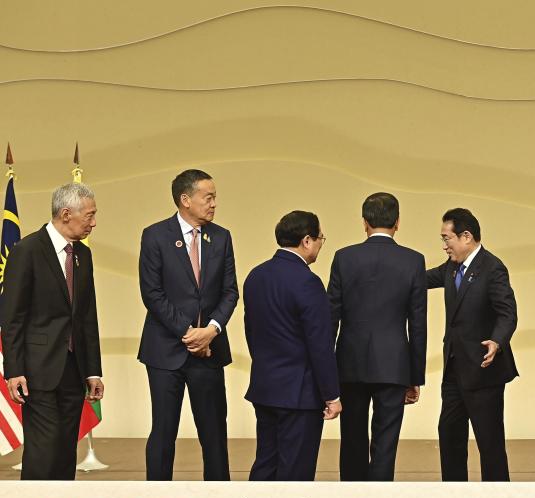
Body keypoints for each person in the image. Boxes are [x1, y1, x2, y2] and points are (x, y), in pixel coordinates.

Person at [138, 169, 238, 480]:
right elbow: (152, 294)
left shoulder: (221, 237)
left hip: (209, 352)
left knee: (214, 433)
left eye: (214, 198)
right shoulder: (155, 236)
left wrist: (211, 331)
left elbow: (230, 291)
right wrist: (189, 333)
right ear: (185, 200)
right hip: (165, 352)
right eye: (208, 198)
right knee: (163, 432)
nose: (213, 204)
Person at [1, 182, 104, 480]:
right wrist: (14, 369)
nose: (93, 222)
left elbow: (87, 317)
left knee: (64, 450)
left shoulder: (83, 256)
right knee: (42, 449)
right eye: (90, 215)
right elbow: (13, 317)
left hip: (73, 369)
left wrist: (93, 370)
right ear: (66, 213)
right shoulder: (27, 250)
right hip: (37, 369)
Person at [328, 193, 427, 481]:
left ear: (364, 222)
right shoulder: (413, 260)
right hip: (394, 365)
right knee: (385, 443)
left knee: (352, 439)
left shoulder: (344, 257)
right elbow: (417, 324)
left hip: (349, 362)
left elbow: (330, 318)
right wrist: (415, 376)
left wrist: (327, 371)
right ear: (397, 222)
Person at [244, 211, 341, 480]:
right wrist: (331, 395)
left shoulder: (256, 276)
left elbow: (251, 331)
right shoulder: (308, 282)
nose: (321, 244)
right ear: (307, 240)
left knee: (265, 462)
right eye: (320, 238)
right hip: (299, 394)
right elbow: (320, 344)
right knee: (295, 472)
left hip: (264, 386)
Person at [426, 208, 518, 481]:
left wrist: (498, 341)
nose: (444, 246)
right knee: (449, 435)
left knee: (489, 443)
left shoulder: (492, 267)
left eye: (447, 238)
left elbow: (507, 312)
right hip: (454, 370)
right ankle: (454, 497)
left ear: (466, 236)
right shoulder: (451, 267)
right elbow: (419, 278)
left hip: (483, 370)